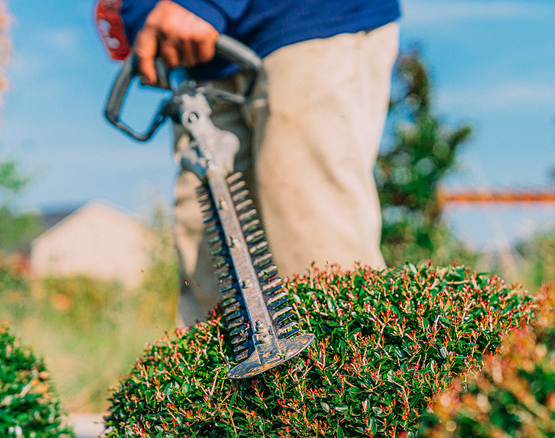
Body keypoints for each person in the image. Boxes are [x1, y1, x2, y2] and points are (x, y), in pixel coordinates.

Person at [118, 0, 401, 325]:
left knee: (319, 270)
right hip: (200, 59)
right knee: (209, 282)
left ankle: (356, 375)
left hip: (302, 25)